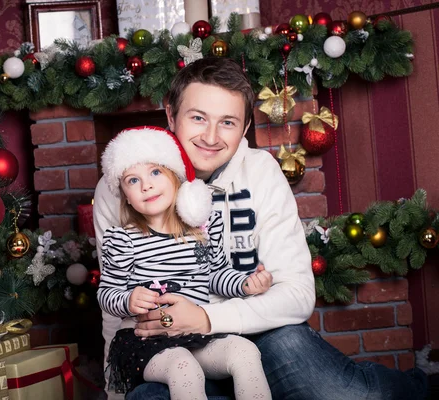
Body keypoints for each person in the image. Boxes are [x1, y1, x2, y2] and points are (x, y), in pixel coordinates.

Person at [93, 56, 429, 399]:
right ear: (170, 114)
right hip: (165, 350)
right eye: (197, 118)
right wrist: (114, 391)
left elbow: (297, 296)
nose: (210, 136)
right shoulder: (123, 184)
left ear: (245, 128)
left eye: (227, 122)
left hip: (260, 334)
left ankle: (422, 385)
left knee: (349, 393)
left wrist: (205, 318)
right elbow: (113, 295)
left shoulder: (261, 171)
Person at [97, 126, 273, 399]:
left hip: (193, 335)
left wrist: (245, 284)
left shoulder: (201, 229)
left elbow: (214, 276)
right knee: (183, 367)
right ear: (125, 196)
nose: (147, 185)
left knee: (244, 351)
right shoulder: (123, 240)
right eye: (133, 180)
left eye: (156, 172)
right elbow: (107, 294)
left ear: (176, 177)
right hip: (145, 340)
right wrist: (128, 299)